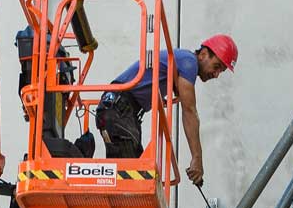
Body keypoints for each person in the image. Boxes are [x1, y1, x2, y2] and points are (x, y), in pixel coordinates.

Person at [96, 36, 238, 186]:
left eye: (220, 72)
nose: (216, 75)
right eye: (216, 67)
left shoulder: (179, 63)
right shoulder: (189, 62)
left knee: (135, 180)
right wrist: (197, 158)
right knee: (129, 184)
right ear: (203, 54)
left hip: (124, 112)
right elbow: (189, 111)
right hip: (118, 109)